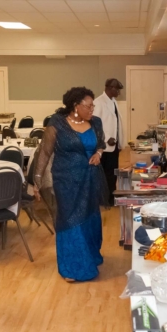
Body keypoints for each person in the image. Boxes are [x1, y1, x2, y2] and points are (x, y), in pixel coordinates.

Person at [33, 87, 107, 282]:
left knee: (90, 217)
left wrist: (98, 155)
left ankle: (90, 255)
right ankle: (73, 268)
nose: (92, 109)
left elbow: (101, 144)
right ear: (75, 106)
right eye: (88, 106)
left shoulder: (96, 123)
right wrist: (37, 179)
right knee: (69, 220)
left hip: (90, 178)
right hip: (65, 180)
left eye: (93, 105)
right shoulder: (57, 124)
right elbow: (45, 152)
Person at [93, 78, 125, 195]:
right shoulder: (98, 102)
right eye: (117, 90)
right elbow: (95, 125)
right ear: (110, 88)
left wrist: (120, 142)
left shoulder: (113, 101)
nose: (119, 93)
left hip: (114, 146)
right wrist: (106, 138)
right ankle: (105, 198)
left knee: (112, 173)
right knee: (105, 174)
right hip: (104, 146)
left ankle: (111, 196)